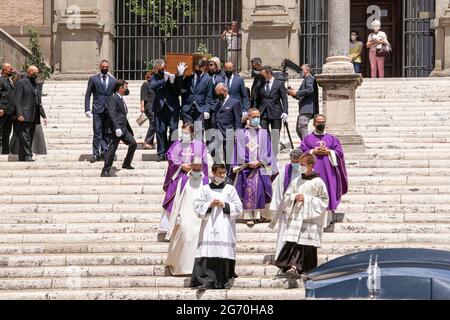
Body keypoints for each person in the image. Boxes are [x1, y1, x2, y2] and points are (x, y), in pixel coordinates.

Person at [273, 153, 329, 276]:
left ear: (310, 165)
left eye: (302, 165)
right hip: (297, 217)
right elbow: (287, 196)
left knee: (306, 244)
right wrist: (294, 197)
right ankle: (292, 267)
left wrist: (307, 200)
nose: (300, 167)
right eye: (299, 164)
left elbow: (324, 200)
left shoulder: (318, 182)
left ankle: (303, 269)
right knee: (295, 242)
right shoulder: (296, 181)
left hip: (311, 219)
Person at [191, 163, 243, 290]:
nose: (222, 175)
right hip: (209, 226)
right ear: (213, 173)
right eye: (219, 173)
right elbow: (197, 205)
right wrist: (209, 204)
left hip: (225, 225)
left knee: (222, 252)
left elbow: (239, 208)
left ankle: (222, 281)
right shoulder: (205, 189)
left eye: (224, 173)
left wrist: (224, 205)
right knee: (207, 252)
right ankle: (205, 281)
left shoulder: (230, 189)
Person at [159, 123, 209, 236]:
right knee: (174, 200)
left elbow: (204, 161)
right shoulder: (177, 144)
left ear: (192, 133)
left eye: (187, 133)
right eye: (183, 132)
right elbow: (171, 157)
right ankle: (170, 228)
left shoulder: (199, 145)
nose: (184, 135)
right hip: (179, 176)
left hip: (194, 177)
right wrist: (181, 165)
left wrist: (194, 167)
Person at [231, 108, 277, 226]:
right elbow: (239, 151)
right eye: (254, 117)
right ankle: (247, 216)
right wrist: (248, 162)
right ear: (248, 118)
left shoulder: (264, 133)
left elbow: (268, 150)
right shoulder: (241, 133)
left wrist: (260, 161)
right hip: (246, 167)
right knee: (247, 190)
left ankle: (258, 215)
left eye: (258, 116)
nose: (256, 119)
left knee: (260, 190)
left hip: (260, 166)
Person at [300, 115, 348, 227]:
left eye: (322, 121)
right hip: (313, 170)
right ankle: (313, 218)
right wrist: (313, 151)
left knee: (328, 190)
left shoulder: (332, 138)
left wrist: (329, 152)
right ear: (313, 124)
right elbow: (302, 151)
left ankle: (327, 220)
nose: (320, 123)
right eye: (318, 122)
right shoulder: (307, 138)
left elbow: (339, 153)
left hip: (329, 172)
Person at [165, 161, 209, 276]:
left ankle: (195, 269)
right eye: (194, 165)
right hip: (185, 212)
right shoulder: (183, 180)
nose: (197, 167)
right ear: (190, 165)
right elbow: (177, 200)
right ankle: (181, 267)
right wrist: (176, 217)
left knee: (196, 239)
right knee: (185, 235)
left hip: (200, 215)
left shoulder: (206, 181)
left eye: (199, 165)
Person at [269, 149, 303, 260]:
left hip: (301, 207)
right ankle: (281, 257)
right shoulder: (285, 170)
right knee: (284, 233)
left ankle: (296, 259)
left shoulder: (305, 170)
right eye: (293, 161)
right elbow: (279, 188)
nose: (295, 164)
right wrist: (280, 206)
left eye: (297, 161)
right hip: (287, 207)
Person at [101, 80, 137, 177]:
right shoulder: (113, 98)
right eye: (125, 86)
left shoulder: (120, 98)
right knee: (112, 149)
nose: (127, 88)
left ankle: (126, 163)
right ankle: (105, 170)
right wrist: (116, 128)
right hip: (115, 129)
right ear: (120, 88)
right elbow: (111, 114)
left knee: (133, 144)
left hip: (124, 129)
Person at [85, 59, 116, 162]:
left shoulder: (112, 80)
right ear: (100, 67)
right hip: (97, 109)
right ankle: (95, 153)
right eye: (103, 67)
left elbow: (117, 94)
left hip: (108, 110)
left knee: (107, 132)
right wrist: (87, 109)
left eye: (106, 67)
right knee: (97, 133)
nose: (105, 69)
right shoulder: (93, 79)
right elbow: (88, 94)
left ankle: (105, 151)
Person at [14, 66, 48, 162]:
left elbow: (38, 102)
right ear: (28, 73)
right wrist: (19, 113)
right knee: (25, 136)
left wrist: (43, 116)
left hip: (34, 115)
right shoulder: (21, 83)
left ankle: (22, 156)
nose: (36, 75)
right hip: (24, 115)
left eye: (37, 73)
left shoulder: (35, 84)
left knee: (30, 136)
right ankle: (28, 155)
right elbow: (17, 100)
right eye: (34, 73)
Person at [150, 59, 181, 162]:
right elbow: (153, 86)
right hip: (160, 108)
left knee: (173, 130)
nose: (162, 71)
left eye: (163, 68)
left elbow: (178, 92)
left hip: (172, 108)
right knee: (160, 131)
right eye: (160, 69)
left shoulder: (172, 75)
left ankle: (172, 152)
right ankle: (161, 153)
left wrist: (172, 82)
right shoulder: (155, 76)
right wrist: (164, 79)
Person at [210, 83, 242, 172]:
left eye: (219, 93)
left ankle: (228, 174)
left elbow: (237, 120)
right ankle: (218, 170)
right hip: (217, 133)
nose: (218, 95)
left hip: (228, 133)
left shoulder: (234, 102)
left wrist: (237, 133)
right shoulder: (218, 103)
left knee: (228, 155)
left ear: (225, 91)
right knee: (213, 151)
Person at [178, 60, 214, 131]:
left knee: (198, 132)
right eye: (196, 69)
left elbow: (209, 96)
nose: (197, 71)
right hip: (187, 107)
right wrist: (181, 75)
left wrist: (207, 110)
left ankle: (197, 142)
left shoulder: (208, 79)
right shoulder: (189, 76)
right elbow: (180, 87)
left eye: (199, 69)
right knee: (187, 131)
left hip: (200, 108)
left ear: (203, 68)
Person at [287, 64, 319, 141]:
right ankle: (305, 144)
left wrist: (297, 93)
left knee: (302, 127)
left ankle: (307, 146)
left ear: (307, 70)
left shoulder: (309, 78)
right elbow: (300, 95)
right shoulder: (306, 79)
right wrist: (292, 93)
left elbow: (310, 90)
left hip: (307, 108)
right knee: (299, 129)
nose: (300, 72)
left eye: (302, 70)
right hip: (304, 109)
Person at [256, 66, 289, 133]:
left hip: (275, 113)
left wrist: (285, 111)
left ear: (268, 74)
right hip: (263, 113)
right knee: (263, 134)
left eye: (262, 75)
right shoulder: (260, 84)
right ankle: (267, 143)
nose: (261, 76)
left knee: (275, 135)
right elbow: (257, 99)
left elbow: (284, 99)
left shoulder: (279, 84)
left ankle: (273, 143)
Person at [0, 63, 15, 154]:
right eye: (10, 69)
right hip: (2, 110)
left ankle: (5, 150)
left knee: (7, 131)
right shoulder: (1, 80)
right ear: (5, 70)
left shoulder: (9, 80)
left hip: (9, 111)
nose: (12, 70)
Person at [140, 70, 156, 150]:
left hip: (154, 106)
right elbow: (143, 96)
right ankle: (146, 142)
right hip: (148, 106)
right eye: (152, 75)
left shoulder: (153, 85)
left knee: (154, 123)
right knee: (153, 122)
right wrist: (142, 106)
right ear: (149, 76)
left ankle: (150, 143)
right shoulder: (145, 84)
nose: (153, 77)